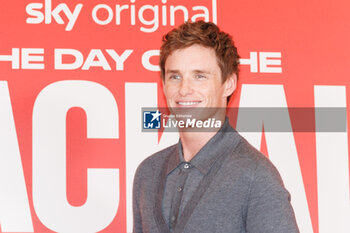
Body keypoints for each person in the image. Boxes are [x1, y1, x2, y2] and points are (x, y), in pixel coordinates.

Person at [133, 20, 299, 233]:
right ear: (163, 84)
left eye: (199, 76)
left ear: (229, 84)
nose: (184, 89)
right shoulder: (148, 172)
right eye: (175, 76)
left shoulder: (255, 175)